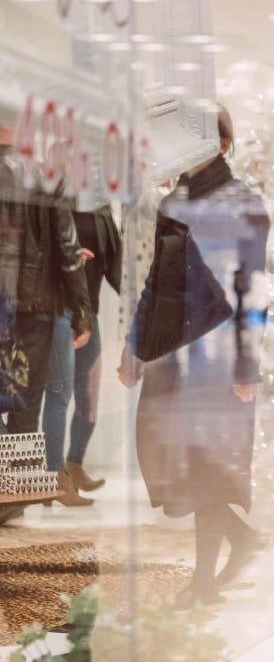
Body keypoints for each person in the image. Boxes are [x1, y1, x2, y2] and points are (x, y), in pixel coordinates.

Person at [119, 105, 270, 610]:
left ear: (223, 145)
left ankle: (203, 583)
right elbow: (156, 281)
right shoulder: (174, 203)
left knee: (205, 466)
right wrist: (134, 345)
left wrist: (247, 364)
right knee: (168, 463)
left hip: (217, 355)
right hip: (170, 351)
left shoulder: (243, 203)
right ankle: (241, 541)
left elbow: (253, 289)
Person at [0, 127, 93, 514]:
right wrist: (81, 310)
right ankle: (16, 498)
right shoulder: (44, 177)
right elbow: (67, 249)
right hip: (35, 308)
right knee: (26, 400)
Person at [40, 203, 122, 503]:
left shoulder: (100, 208)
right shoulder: (55, 201)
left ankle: (75, 465)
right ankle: (54, 476)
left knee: (89, 395)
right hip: (60, 305)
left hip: (88, 310)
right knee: (59, 393)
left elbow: (115, 262)